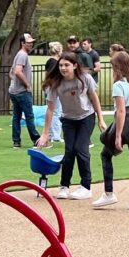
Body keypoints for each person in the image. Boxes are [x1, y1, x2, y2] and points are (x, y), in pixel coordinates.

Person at [37, 51, 107, 200]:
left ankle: (86, 186)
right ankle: (64, 186)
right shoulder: (55, 83)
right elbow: (50, 109)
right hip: (68, 120)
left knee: (80, 149)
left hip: (86, 117)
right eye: (61, 65)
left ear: (75, 66)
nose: (63, 68)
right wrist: (45, 134)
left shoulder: (85, 78)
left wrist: (101, 119)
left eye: (67, 65)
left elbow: (94, 99)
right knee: (69, 152)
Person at [93, 51, 129, 210]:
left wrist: (118, 135)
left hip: (126, 122)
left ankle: (109, 193)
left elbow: (121, 111)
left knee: (106, 155)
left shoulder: (119, 85)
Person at [8, 33, 40, 149]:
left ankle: (16, 142)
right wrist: (27, 84)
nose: (31, 44)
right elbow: (17, 71)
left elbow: (11, 73)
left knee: (16, 116)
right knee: (29, 116)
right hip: (22, 92)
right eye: (28, 42)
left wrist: (14, 83)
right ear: (22, 43)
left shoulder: (18, 55)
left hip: (14, 91)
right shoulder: (22, 55)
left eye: (32, 42)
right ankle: (37, 140)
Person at [43, 42, 64, 143]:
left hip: (51, 87)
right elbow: (53, 77)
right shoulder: (54, 62)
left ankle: (51, 134)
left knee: (53, 111)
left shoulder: (50, 61)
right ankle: (55, 135)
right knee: (56, 112)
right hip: (54, 88)